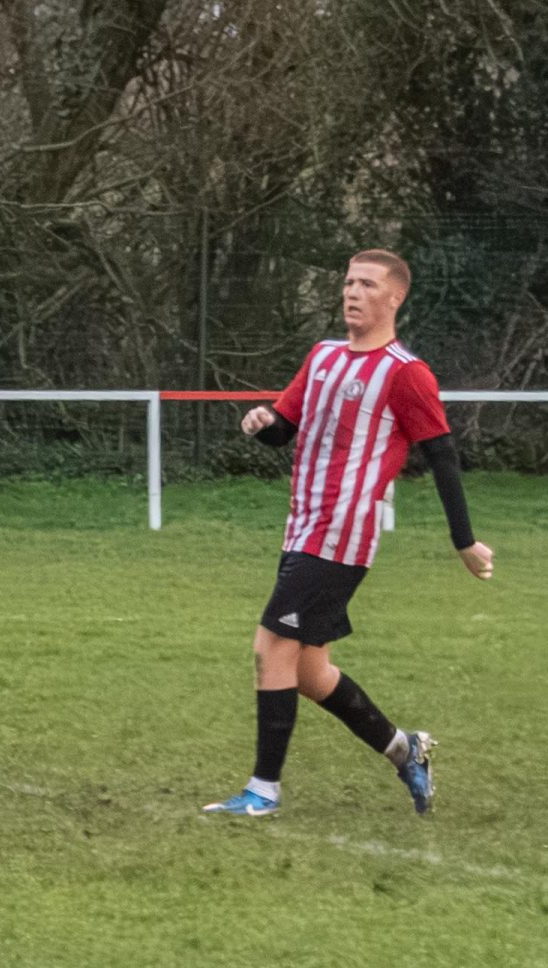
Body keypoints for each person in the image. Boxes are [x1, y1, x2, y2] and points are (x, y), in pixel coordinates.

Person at [203, 249, 494, 818]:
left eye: (366, 285)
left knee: (270, 647)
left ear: (395, 298)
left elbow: (442, 455)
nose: (352, 293)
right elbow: (286, 428)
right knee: (309, 672)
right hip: (302, 528)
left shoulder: (405, 373)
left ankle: (263, 791)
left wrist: (464, 540)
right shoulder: (323, 356)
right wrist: (264, 422)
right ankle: (405, 749)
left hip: (341, 535)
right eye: (348, 283)